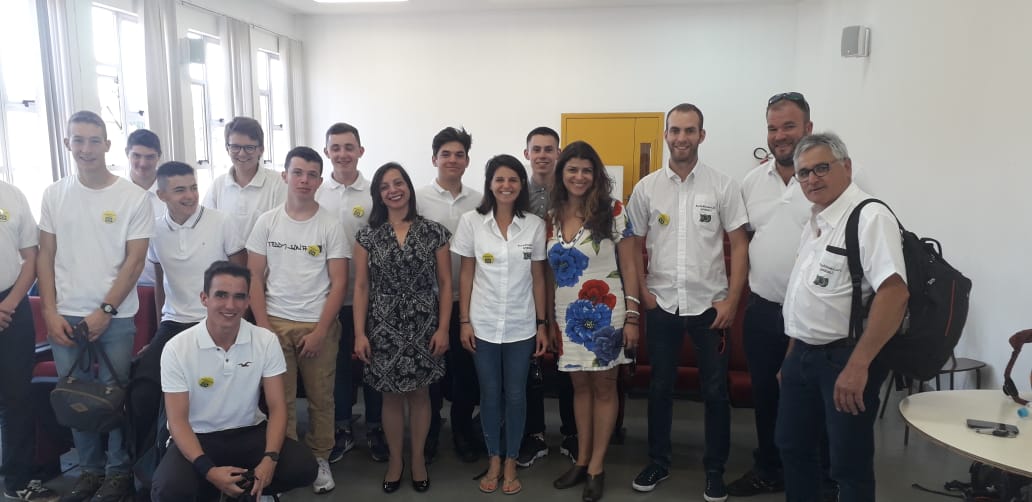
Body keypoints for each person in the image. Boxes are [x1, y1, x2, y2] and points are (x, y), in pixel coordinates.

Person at [626, 103, 748, 502]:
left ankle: (715, 470)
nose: (682, 138)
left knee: (715, 392)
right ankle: (658, 461)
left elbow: (739, 245)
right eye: (675, 130)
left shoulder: (722, 186)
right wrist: (643, 293)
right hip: (662, 304)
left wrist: (732, 300)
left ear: (702, 135)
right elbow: (633, 243)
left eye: (689, 130)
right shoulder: (647, 188)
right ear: (665, 135)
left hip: (710, 307)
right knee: (659, 387)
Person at [776, 132, 908, 502]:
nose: (812, 179)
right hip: (802, 356)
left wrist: (858, 366)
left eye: (821, 168)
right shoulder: (816, 220)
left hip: (845, 359)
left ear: (846, 167)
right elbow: (804, 296)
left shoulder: (870, 216)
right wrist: (790, 357)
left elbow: (894, 293)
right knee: (792, 447)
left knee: (848, 465)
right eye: (803, 173)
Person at [38, 110, 154, 502]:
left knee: (113, 398)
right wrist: (49, 312)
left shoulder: (132, 197)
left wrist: (104, 311)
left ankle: (118, 472)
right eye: (78, 140)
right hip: (65, 315)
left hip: (115, 318)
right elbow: (46, 256)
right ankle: (89, 471)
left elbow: (135, 261)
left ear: (107, 144)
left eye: (93, 140)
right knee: (75, 399)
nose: (86, 148)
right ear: (67, 143)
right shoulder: (54, 194)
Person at [150, 261, 318, 500]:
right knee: (168, 490)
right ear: (204, 298)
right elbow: (177, 421)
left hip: (249, 432)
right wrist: (208, 471)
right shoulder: (177, 348)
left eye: (239, 297)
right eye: (221, 295)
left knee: (304, 466)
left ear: (248, 301)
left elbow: (278, 407)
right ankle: (218, 487)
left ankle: (242, 490)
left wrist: (270, 459)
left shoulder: (265, 341)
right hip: (199, 436)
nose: (230, 305)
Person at [128, 161, 247, 481]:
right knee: (142, 391)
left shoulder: (222, 222)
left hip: (217, 323)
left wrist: (239, 328)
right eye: (180, 190)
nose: (190, 195)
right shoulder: (154, 230)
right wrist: (156, 335)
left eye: (193, 187)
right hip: (174, 325)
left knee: (210, 391)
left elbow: (242, 279)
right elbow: (160, 283)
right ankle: (146, 469)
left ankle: (221, 465)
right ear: (162, 195)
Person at [247, 146, 348, 494]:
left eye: (312, 175)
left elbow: (339, 283)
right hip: (274, 323)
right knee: (281, 401)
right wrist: (263, 327)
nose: (304, 180)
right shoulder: (267, 221)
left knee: (321, 399)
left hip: (317, 326)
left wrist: (321, 331)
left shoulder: (330, 225)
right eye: (298, 173)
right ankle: (286, 460)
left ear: (320, 181)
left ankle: (319, 457)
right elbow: (254, 277)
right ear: (285, 176)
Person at [546, 141, 639, 502]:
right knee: (579, 389)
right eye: (572, 169)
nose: (579, 176)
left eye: (587, 170)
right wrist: (548, 321)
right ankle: (581, 460)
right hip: (566, 316)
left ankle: (597, 465)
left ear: (596, 175)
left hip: (606, 313)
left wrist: (632, 317)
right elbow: (548, 274)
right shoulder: (552, 215)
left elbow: (630, 265)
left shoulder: (613, 211)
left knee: (604, 388)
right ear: (562, 174)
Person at [352, 162, 452, 493]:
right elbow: (361, 287)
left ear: (408, 187)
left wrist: (444, 328)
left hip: (424, 324)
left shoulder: (434, 231)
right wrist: (359, 333)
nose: (393, 190)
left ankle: (418, 459)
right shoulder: (367, 235)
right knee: (390, 397)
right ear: (378, 195)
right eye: (385, 186)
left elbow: (445, 283)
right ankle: (396, 460)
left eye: (398, 183)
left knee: (421, 394)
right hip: (382, 326)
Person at [453, 154, 549, 496]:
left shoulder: (534, 225)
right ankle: (494, 458)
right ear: (490, 184)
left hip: (522, 325)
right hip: (483, 324)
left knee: (517, 394)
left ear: (521, 185)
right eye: (499, 179)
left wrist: (542, 324)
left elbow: (538, 278)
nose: (506, 185)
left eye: (513, 179)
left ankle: (511, 460)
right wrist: (464, 321)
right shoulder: (471, 222)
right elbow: (467, 273)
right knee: (490, 394)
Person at [316, 122, 388, 463]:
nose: (342, 154)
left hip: (370, 297)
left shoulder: (374, 193)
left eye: (349, 147)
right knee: (338, 366)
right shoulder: (317, 193)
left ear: (361, 151)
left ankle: (376, 426)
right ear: (327, 152)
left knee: (374, 363)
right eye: (336, 147)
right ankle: (342, 427)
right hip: (327, 298)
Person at [415, 126, 483, 463]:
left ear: (467, 161)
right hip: (427, 299)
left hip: (469, 300)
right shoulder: (417, 199)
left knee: (465, 372)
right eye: (446, 154)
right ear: (434, 159)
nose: (452, 160)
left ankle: (462, 431)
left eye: (459, 155)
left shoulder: (480, 201)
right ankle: (429, 432)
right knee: (429, 369)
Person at [517, 126, 580, 468]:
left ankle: (572, 432)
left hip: (567, 289)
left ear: (558, 153)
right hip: (525, 291)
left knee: (569, 364)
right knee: (531, 365)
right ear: (527, 153)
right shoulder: (515, 192)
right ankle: (535, 434)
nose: (542, 155)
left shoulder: (572, 192)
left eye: (549, 149)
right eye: (536, 149)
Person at [0, 180, 59, 501]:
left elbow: (30, 258)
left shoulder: (11, 195)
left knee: (17, 398)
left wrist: (10, 304)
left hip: (13, 304)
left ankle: (17, 481)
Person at [203, 117, 286, 244]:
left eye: (249, 147)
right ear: (227, 149)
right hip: (226, 257)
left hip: (266, 256)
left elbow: (281, 231)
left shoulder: (278, 183)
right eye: (235, 147)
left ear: (261, 149)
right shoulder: (217, 185)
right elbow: (207, 228)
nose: (242, 153)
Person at [125, 129, 164, 285]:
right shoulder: (115, 195)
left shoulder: (173, 194)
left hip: (168, 286)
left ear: (159, 156)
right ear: (127, 153)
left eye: (150, 157)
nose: (143, 163)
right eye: (136, 156)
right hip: (127, 286)